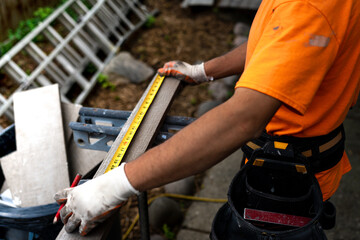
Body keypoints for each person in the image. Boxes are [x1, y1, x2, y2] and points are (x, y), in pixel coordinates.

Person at [54, 0, 360, 237]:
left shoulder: (308, 6)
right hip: (286, 161)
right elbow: (274, 42)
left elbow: (241, 119)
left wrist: (113, 186)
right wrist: (203, 70)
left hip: (286, 185)